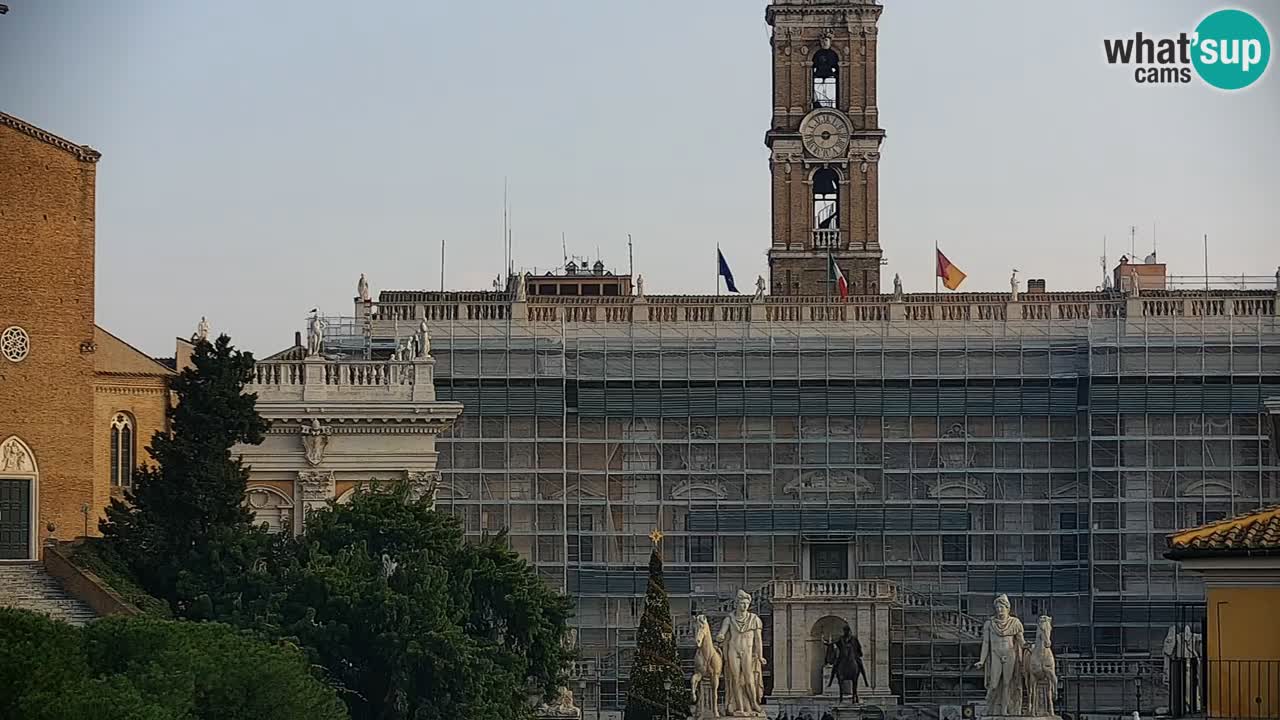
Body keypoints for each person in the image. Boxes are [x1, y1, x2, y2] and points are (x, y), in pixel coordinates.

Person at [716, 589, 766, 717]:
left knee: (749, 679)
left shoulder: (754, 619)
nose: (744, 606)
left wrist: (760, 656)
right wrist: (720, 636)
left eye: (746, 604)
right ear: (736, 604)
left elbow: (758, 640)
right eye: (742, 603)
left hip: (747, 652)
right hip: (733, 650)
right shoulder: (729, 619)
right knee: (735, 679)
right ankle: (739, 706)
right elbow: (722, 632)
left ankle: (754, 703)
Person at [975, 594, 1026, 715]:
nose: (999, 610)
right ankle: (988, 707)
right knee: (993, 684)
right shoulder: (990, 624)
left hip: (1010, 655)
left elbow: (1021, 642)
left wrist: (1032, 647)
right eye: (997, 607)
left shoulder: (1015, 623)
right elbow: (986, 643)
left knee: (1007, 683)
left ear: (1007, 608)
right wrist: (982, 660)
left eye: (1001, 607)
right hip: (996, 655)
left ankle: (1004, 710)